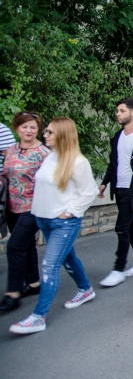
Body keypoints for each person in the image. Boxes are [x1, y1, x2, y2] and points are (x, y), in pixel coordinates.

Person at [10, 118, 97, 334]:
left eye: (49, 132)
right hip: (44, 219)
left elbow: (90, 192)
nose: (45, 135)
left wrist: (70, 212)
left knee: (49, 266)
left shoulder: (78, 162)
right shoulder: (51, 157)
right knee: (68, 257)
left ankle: (38, 317)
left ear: (63, 135)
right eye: (46, 131)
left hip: (63, 224)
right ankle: (85, 289)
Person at [97, 97, 133, 288]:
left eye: (121, 111)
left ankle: (118, 269)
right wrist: (105, 182)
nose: (118, 114)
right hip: (119, 187)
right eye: (117, 111)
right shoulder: (117, 137)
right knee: (130, 226)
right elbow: (113, 162)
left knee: (121, 227)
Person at [0, 112, 49, 312]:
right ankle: (34, 283)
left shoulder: (44, 153)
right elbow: (6, 173)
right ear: (17, 129)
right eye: (24, 127)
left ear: (38, 130)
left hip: (33, 207)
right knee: (27, 245)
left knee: (14, 247)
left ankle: (13, 294)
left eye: (32, 127)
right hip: (12, 206)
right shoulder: (10, 150)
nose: (28, 130)